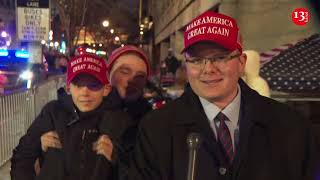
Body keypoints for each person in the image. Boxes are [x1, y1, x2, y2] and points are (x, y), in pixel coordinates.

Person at [127, 11, 319, 180]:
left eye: (220, 57)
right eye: (196, 60)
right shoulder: (156, 128)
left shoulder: (290, 126)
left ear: (242, 62)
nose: (208, 69)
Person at [10, 54, 131, 180]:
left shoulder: (119, 121)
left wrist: (115, 158)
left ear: (106, 89)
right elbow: (22, 157)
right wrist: (41, 151)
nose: (85, 92)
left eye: (93, 85)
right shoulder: (52, 113)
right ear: (68, 88)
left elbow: (136, 170)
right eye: (78, 84)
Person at [105, 45, 153, 179]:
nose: (132, 80)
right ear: (109, 74)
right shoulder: (91, 109)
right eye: (125, 71)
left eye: (140, 76)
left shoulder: (151, 121)